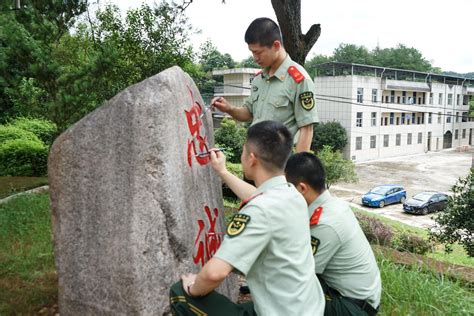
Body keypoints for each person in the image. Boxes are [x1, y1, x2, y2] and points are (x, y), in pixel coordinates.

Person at [169, 121, 325, 316]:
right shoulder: (293, 195)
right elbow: (259, 195)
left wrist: (193, 285)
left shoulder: (259, 211)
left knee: (179, 293)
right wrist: (223, 171)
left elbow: (214, 273)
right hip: (308, 308)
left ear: (252, 159)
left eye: (243, 151)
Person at [284, 152, 382, 316]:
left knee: (284, 298)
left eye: (287, 187)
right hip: (357, 297)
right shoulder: (332, 205)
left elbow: (297, 274)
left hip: (351, 307)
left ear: (302, 188)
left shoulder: (325, 224)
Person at [211, 17, 319, 153]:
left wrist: (295, 172)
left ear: (276, 46)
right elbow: (248, 113)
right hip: (253, 159)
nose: (255, 58)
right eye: (252, 52)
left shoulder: (299, 80)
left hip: (279, 164)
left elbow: (307, 129)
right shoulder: (258, 79)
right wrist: (228, 108)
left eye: (258, 52)